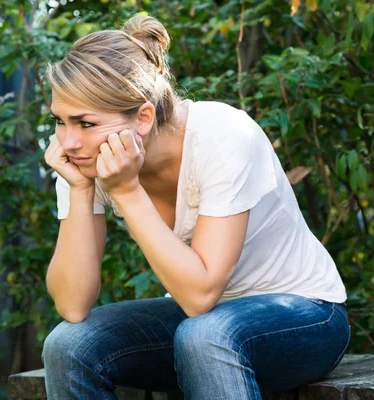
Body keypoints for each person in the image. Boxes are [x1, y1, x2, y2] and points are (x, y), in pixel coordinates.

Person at [41, 14, 350, 400]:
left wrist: (127, 191)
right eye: (59, 121)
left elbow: (200, 295)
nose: (67, 142)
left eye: (85, 123)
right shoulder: (84, 161)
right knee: (69, 345)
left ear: (143, 117)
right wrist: (83, 191)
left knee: (204, 335)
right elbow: (72, 305)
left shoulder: (223, 136)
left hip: (306, 315)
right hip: (200, 327)